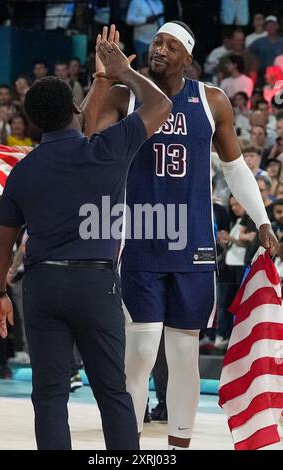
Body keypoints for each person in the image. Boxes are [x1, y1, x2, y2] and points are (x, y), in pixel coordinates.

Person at [85, 21, 278, 450]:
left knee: (184, 355)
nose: (160, 49)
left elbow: (235, 168)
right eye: (157, 41)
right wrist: (102, 77)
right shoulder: (125, 93)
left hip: (193, 244)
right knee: (139, 352)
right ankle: (128, 447)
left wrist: (262, 221)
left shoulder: (212, 100)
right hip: (140, 239)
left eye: (172, 46)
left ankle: (179, 445)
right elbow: (88, 137)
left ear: (187, 59)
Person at [0, 28, 172, 450]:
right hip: (95, 284)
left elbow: (3, 241)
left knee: (49, 396)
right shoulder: (104, 149)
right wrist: (124, 71)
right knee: (112, 392)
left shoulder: (25, 170)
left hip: (42, 286)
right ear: (73, 107)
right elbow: (160, 104)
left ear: (32, 122)